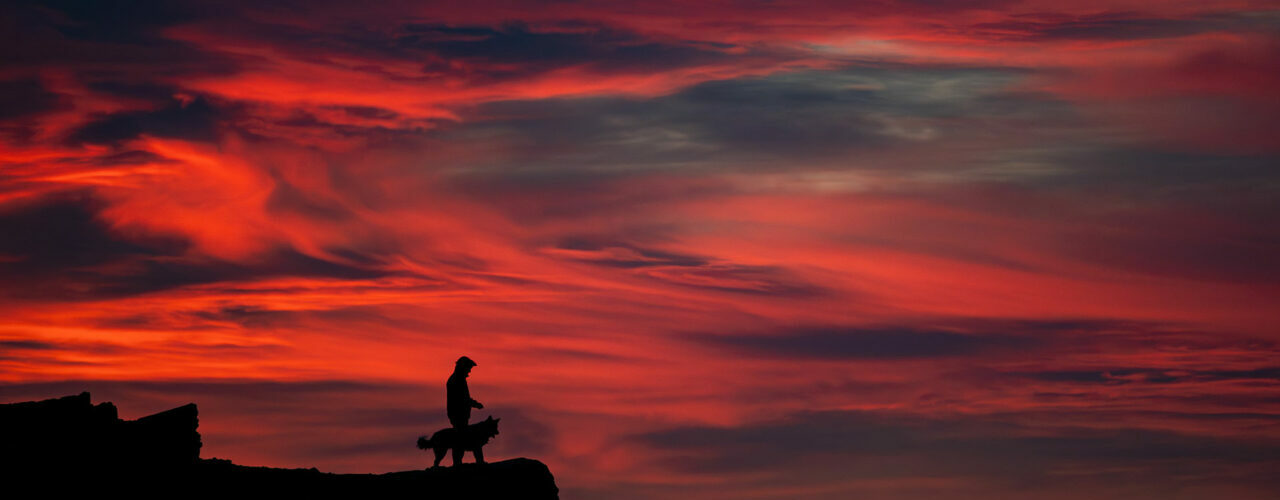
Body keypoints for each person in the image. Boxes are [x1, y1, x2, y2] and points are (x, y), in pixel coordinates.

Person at [447, 356, 483, 430]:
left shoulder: (458, 379)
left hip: (459, 415)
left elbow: (464, 398)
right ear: (463, 367)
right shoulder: (457, 380)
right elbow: (462, 399)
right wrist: (475, 404)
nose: (469, 371)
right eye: (469, 368)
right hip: (458, 415)